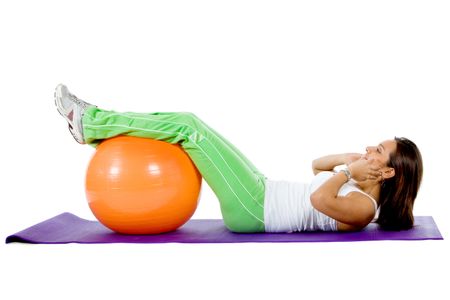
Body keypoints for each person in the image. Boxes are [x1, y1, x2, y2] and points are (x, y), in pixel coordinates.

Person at [54, 84, 423, 233]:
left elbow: (318, 199)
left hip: (254, 210)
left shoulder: (363, 207)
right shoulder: (356, 180)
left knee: (187, 129)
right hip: (261, 188)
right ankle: (95, 129)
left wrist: (346, 171)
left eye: (379, 150)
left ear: (389, 171)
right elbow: (315, 165)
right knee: (192, 122)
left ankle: (92, 123)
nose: (370, 148)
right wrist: (351, 161)